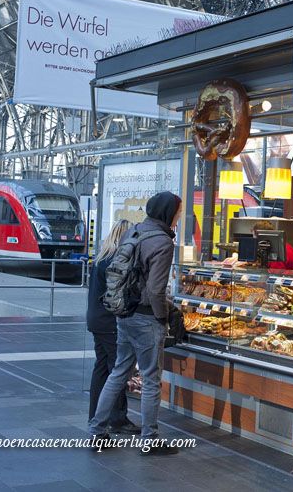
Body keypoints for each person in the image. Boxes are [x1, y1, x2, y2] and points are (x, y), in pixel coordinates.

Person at [89, 191, 182, 455]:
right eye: (178, 211)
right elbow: (155, 290)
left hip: (124, 313)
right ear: (168, 212)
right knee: (152, 379)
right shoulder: (163, 242)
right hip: (145, 317)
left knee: (119, 371)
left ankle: (97, 431)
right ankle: (150, 439)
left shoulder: (136, 231)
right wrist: (163, 318)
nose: (179, 216)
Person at [86, 219, 139, 435]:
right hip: (109, 321)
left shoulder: (102, 258)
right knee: (117, 370)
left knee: (102, 369)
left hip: (96, 319)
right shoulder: (116, 261)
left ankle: (95, 415)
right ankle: (117, 419)